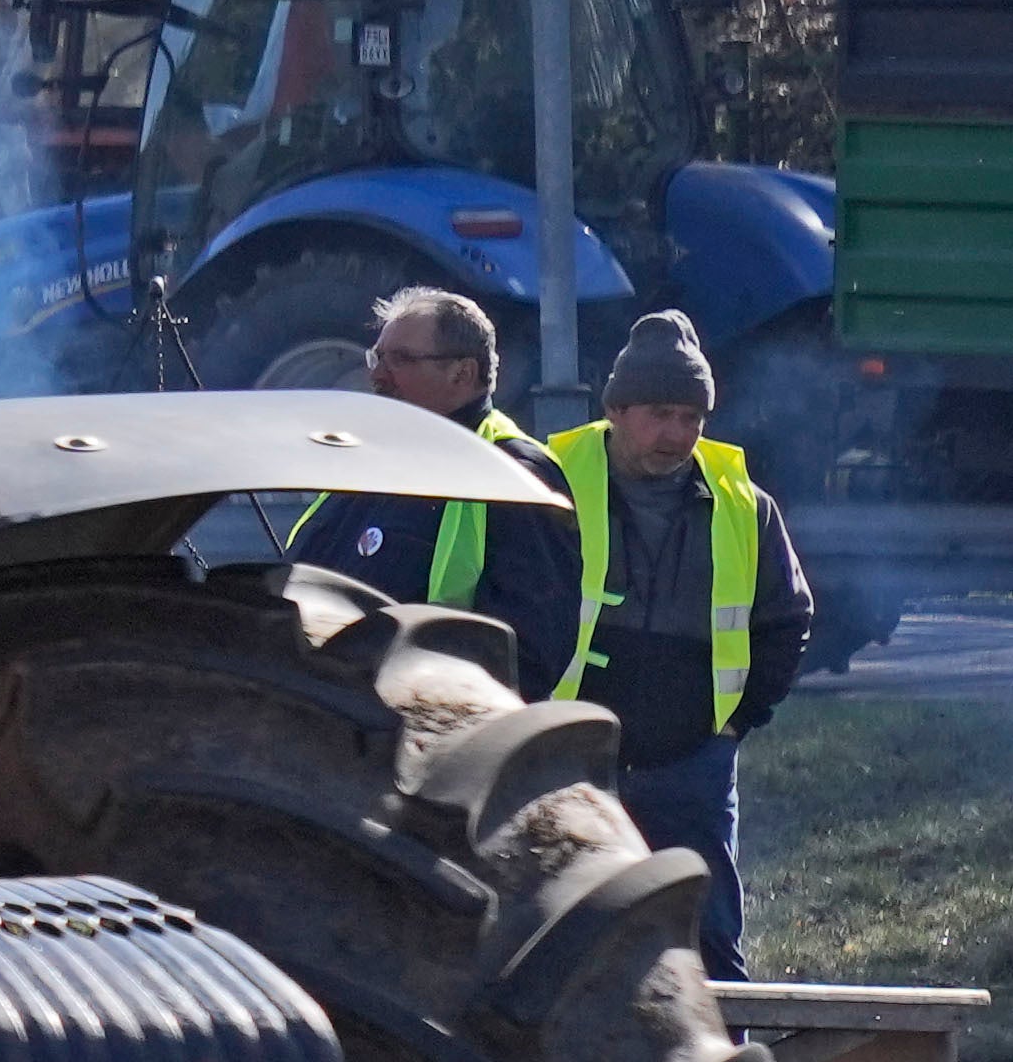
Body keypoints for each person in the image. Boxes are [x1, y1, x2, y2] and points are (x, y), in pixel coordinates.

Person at [528, 310, 817, 970]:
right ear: (616, 409)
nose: (677, 434)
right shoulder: (548, 481)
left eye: (692, 418)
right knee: (563, 941)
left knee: (710, 941)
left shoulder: (744, 503)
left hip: (692, 764)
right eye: (661, 414)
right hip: (570, 753)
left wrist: (737, 722)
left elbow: (787, 619)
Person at [277, 281, 565, 616]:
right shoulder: (368, 462)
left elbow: (531, 643)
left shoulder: (515, 473)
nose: (377, 376)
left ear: (462, 374)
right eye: (377, 358)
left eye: (399, 360)